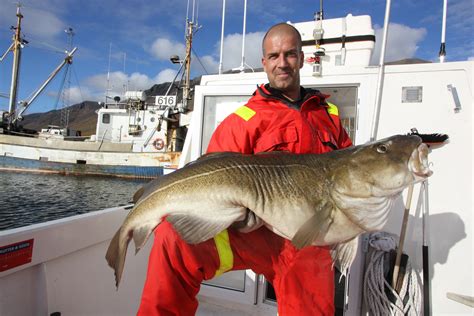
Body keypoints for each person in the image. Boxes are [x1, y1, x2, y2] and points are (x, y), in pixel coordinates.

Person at [138, 22, 352, 315]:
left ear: (302, 58)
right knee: (171, 238)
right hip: (255, 236)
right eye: (274, 56)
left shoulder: (329, 116)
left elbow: (348, 172)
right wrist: (239, 218)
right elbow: (210, 184)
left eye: (290, 54)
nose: (282, 63)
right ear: (264, 63)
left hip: (307, 242)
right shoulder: (243, 121)